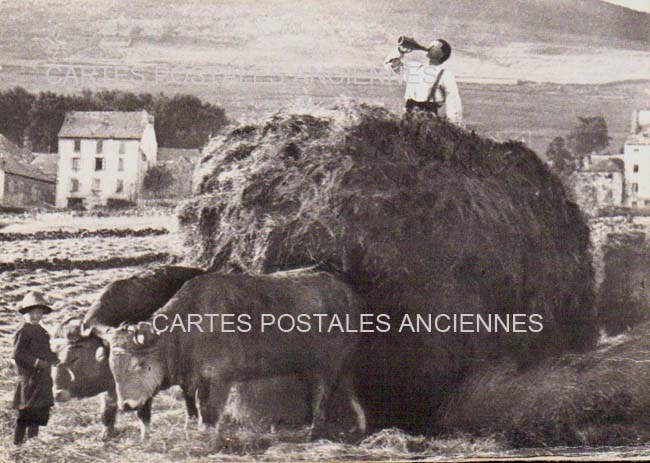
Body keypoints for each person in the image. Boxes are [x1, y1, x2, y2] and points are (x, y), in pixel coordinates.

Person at [12, 291, 59, 446]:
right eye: (31, 313)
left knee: (38, 413)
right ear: (25, 314)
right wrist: (37, 362)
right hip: (29, 379)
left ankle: (33, 443)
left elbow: (46, 352)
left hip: (42, 380)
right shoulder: (23, 331)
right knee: (25, 413)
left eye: (38, 313)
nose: (35, 316)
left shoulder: (42, 332)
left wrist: (55, 359)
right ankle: (17, 444)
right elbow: (18, 354)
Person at [384, 38, 463, 126]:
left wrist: (454, 126)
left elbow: (453, 102)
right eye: (430, 45)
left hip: (429, 122)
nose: (430, 47)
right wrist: (400, 51)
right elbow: (389, 65)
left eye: (434, 46)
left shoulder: (445, 75)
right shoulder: (414, 68)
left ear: (442, 54)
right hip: (408, 118)